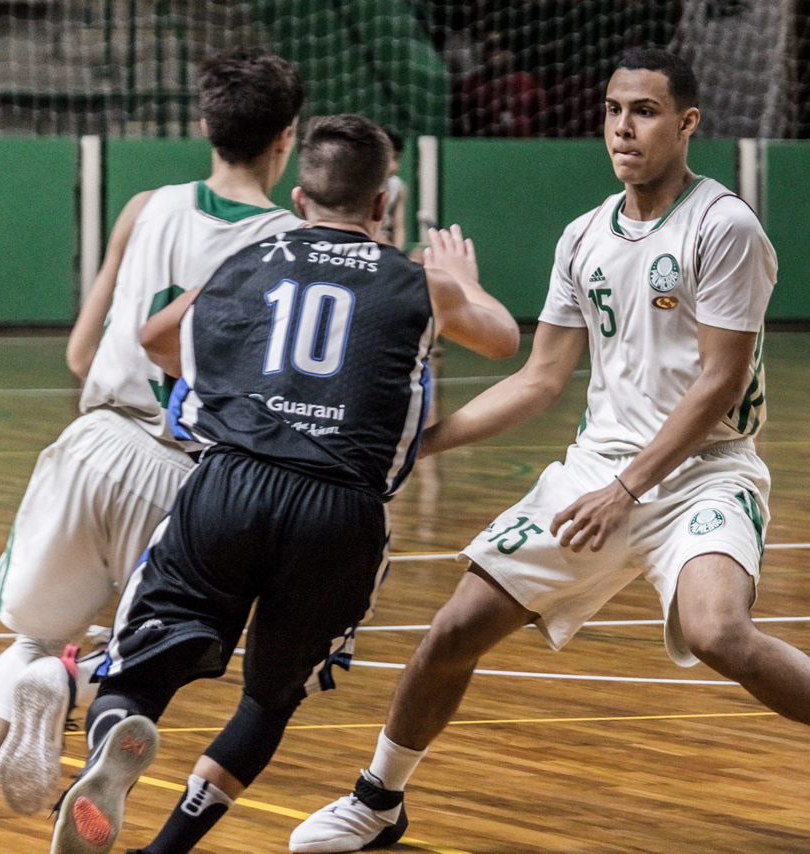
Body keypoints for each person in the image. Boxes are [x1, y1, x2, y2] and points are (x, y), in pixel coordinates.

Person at [290, 48, 810, 854]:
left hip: (705, 472)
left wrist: (629, 490)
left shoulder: (724, 227)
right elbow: (540, 379)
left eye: (644, 111)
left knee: (718, 632)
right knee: (453, 630)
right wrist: (417, 448)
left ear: (687, 123)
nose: (623, 128)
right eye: (613, 110)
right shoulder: (583, 237)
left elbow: (719, 382)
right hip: (596, 471)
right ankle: (378, 802)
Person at [47, 114, 519, 854]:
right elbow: (503, 339)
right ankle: (164, 852)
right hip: (342, 509)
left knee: (139, 668)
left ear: (299, 200)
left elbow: (156, 339)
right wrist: (462, 279)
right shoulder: (419, 284)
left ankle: (113, 738)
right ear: (382, 203)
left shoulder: (250, 261)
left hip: (232, 484)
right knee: (269, 700)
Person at [0, 47, 306, 854]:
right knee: (160, 657)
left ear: (204, 124)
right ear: (286, 138)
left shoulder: (145, 208)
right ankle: (74, 685)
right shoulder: (289, 244)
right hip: (186, 478)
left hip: (92, 447)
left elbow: (81, 353)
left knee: (29, 641)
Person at [378, 129, 407, 250]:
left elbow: (399, 226)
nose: (395, 166)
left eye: (397, 158)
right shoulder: (363, 188)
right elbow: (371, 231)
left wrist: (398, 252)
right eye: (391, 158)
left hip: (388, 247)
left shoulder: (397, 186)